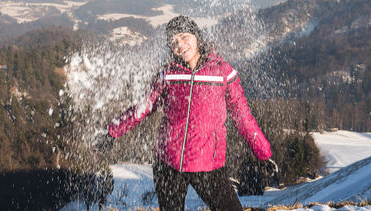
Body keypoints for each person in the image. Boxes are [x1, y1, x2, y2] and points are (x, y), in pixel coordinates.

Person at [94, 15, 273, 211]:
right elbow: (142, 108)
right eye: (174, 42)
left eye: (184, 36)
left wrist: (263, 153)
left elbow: (242, 115)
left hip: (208, 163)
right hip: (168, 163)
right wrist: (112, 132)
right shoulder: (168, 74)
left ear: (197, 37)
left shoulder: (222, 72)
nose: (180, 45)